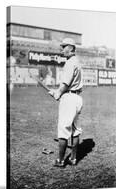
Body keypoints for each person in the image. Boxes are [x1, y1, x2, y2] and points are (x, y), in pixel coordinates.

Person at [49, 38, 83, 167]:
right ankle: (73, 159)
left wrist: (57, 93)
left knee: (64, 130)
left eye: (64, 47)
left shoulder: (69, 62)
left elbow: (65, 84)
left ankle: (61, 160)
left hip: (69, 98)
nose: (62, 49)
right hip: (77, 98)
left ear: (71, 48)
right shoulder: (77, 62)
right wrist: (57, 92)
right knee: (75, 130)